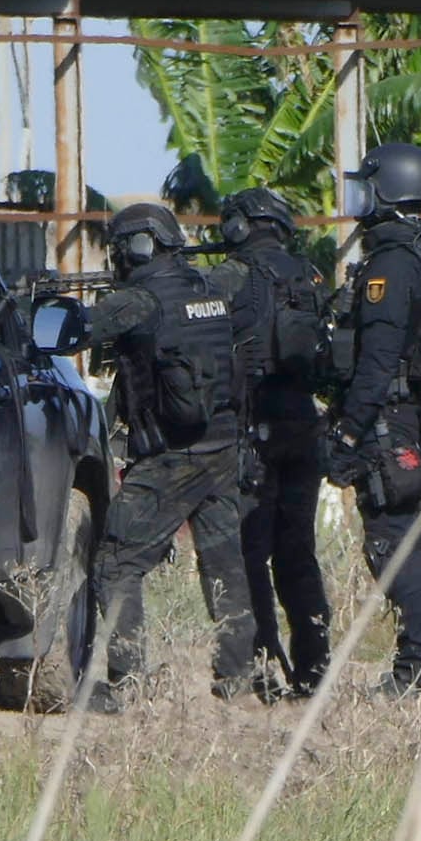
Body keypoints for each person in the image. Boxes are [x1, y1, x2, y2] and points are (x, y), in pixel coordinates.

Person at [82, 201, 257, 709]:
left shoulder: (140, 300)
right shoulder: (211, 289)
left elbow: (79, 329)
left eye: (119, 250)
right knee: (224, 564)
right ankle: (237, 680)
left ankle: (126, 685)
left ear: (138, 246)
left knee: (116, 561)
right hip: (223, 447)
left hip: (171, 456)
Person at [326, 143, 421, 699]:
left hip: (388, 419)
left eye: (366, 187)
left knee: (392, 541)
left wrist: (348, 431)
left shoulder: (392, 262)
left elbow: (378, 358)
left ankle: (415, 672)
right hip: (420, 412)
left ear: (389, 190)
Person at [209, 187, 332, 698]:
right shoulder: (308, 276)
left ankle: (259, 668)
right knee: (297, 551)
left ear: (240, 226)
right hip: (304, 424)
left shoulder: (229, 277)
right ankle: (314, 666)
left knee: (248, 553)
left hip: (252, 428)